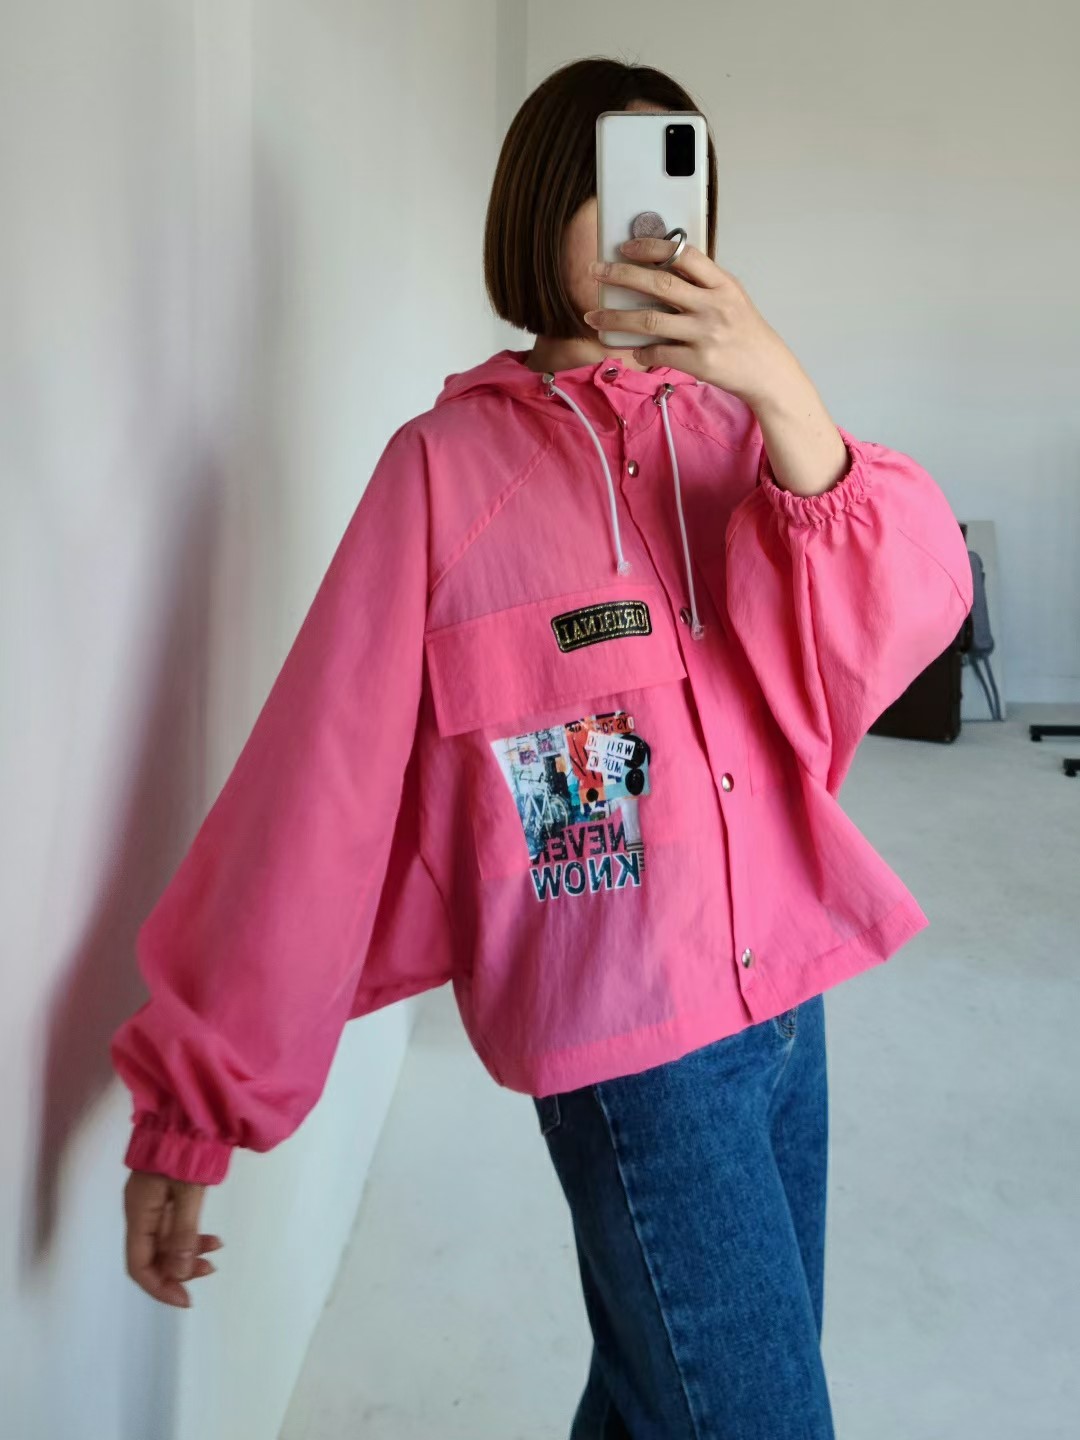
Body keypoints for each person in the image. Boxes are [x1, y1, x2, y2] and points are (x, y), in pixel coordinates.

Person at [111, 55, 973, 1440]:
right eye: (617, 188)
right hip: (637, 1056)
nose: (657, 225)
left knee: (656, 1400)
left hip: (787, 1013)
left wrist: (777, 385)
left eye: (682, 188)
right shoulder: (443, 473)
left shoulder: (733, 439)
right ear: (541, 204)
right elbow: (316, 791)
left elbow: (901, 614)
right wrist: (194, 1105)